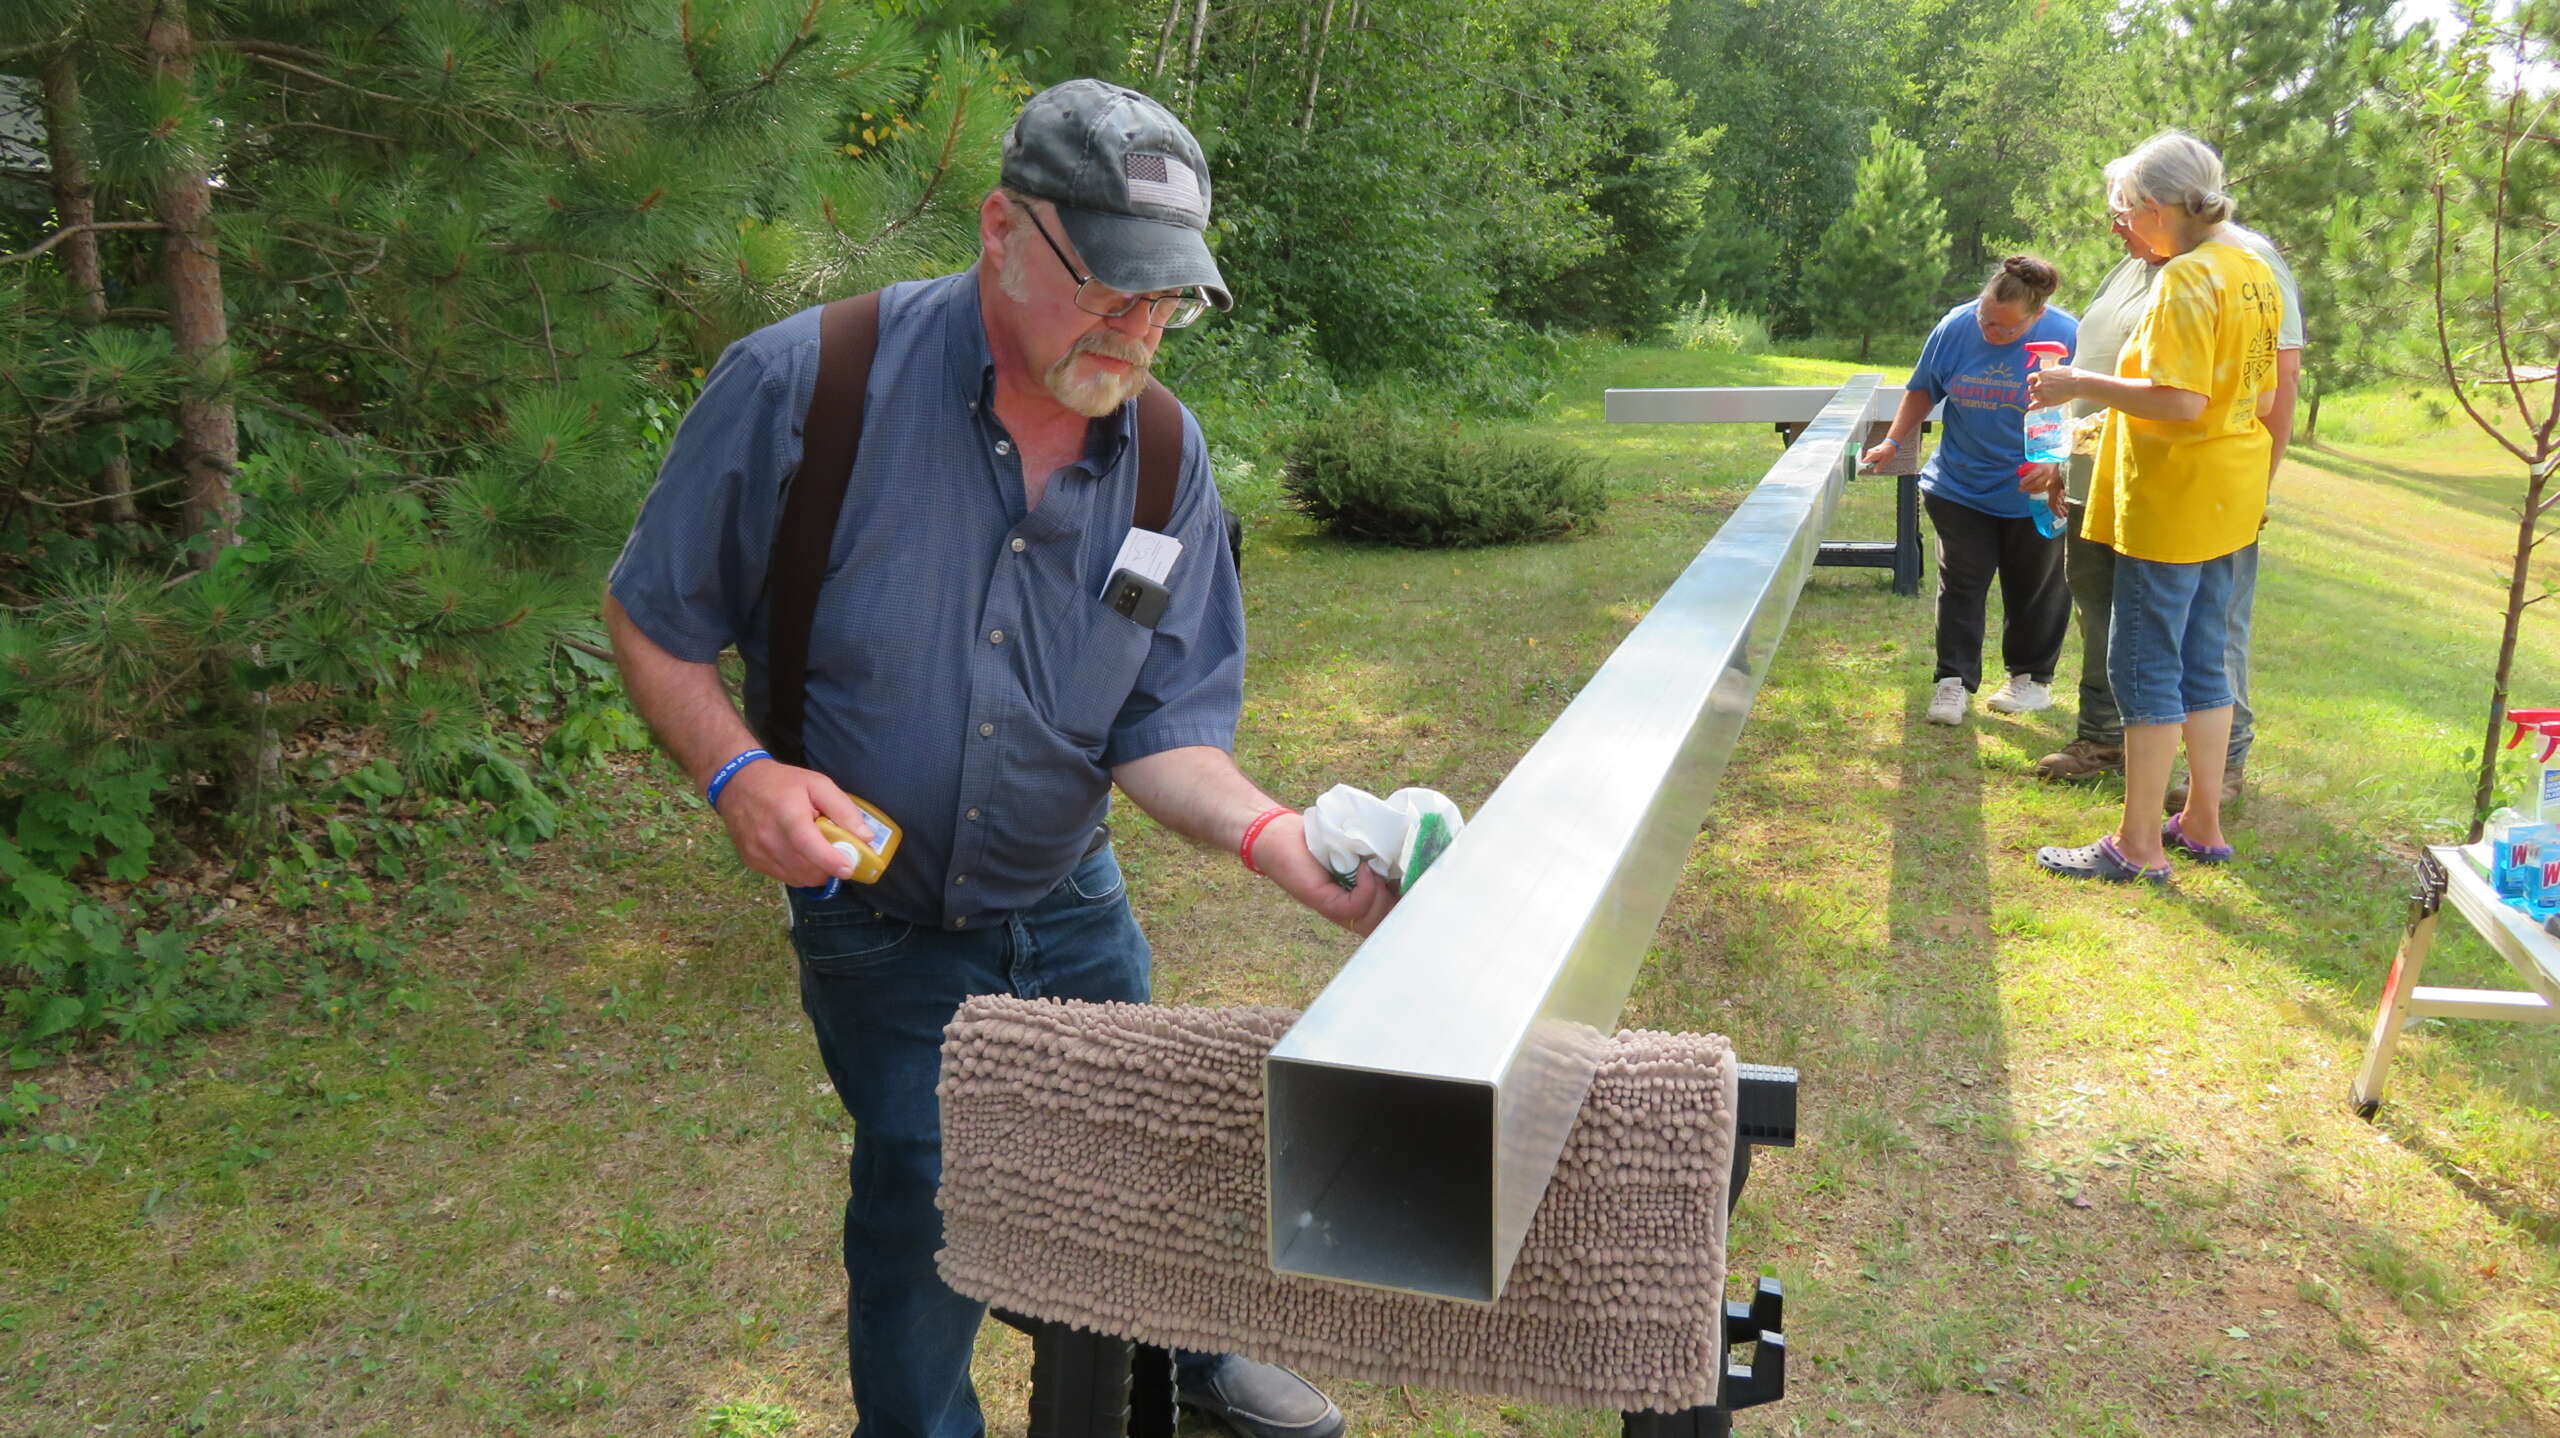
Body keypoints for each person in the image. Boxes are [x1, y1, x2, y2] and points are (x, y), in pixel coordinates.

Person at [603, 79, 1384, 1438]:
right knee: (930, 1189)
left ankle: (1182, 1360)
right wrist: (740, 775)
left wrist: (1280, 844)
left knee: (1140, 1147)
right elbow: (653, 620)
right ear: (1000, 231)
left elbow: (1159, 726)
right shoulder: (807, 385)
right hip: (881, 920)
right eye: (1110, 289)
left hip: (1068, 894)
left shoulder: (1166, 457)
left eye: (1168, 300)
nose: (1138, 330)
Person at [2024, 131, 2283, 882]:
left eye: (2124, 211)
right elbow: (2251, 395)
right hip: (2227, 496)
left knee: (2143, 667)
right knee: (2206, 661)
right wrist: (2100, 425)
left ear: (2162, 208)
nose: (2119, 226)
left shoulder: (2184, 280)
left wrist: (2080, 385)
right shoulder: (2252, 270)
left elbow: (2180, 397)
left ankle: (2137, 845)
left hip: (2171, 504)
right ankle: (2201, 819)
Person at [1862, 256, 2078, 726]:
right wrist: (1893, 441)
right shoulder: (1955, 327)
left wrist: (2059, 464)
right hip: (1959, 484)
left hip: (2035, 490)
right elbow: (1923, 388)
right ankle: (1952, 682)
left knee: (2036, 587)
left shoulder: (2069, 337)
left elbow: (2092, 410)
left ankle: (2030, 680)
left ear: (2036, 317)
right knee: (1961, 582)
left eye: (2004, 329)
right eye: (1985, 318)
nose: (1989, 333)